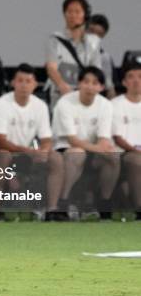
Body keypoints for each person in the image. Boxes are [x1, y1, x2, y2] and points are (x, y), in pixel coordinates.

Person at [0, 64, 62, 222]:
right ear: (13, 83)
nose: (24, 85)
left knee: (56, 158)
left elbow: (46, 139)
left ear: (35, 84)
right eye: (20, 80)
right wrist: (30, 151)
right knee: (4, 156)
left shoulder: (40, 106)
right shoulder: (2, 104)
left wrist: (44, 152)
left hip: (25, 155)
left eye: (28, 81)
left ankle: (52, 210)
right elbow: (0, 141)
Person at [50, 67, 119, 221]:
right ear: (79, 83)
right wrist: (98, 148)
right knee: (77, 153)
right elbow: (72, 140)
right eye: (86, 81)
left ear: (101, 87)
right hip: (64, 149)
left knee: (114, 156)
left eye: (95, 83)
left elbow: (104, 138)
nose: (90, 86)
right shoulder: (65, 103)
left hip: (93, 150)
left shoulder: (105, 105)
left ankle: (105, 203)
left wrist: (102, 148)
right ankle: (63, 201)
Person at [45, 0, 102, 108]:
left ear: (85, 15)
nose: (72, 15)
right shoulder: (55, 39)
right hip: (60, 94)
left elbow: (96, 70)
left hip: (85, 94)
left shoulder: (93, 41)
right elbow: (51, 67)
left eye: (77, 11)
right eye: (69, 11)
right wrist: (62, 85)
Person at [111, 62, 141, 221]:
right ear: (124, 82)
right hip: (124, 153)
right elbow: (117, 137)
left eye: (140, 77)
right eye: (131, 77)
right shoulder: (116, 105)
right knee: (137, 161)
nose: (136, 81)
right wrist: (135, 150)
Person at [87, 14, 116, 98]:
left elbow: (110, 89)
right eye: (91, 31)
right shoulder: (67, 51)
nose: (93, 37)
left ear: (103, 36)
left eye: (98, 35)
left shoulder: (104, 58)